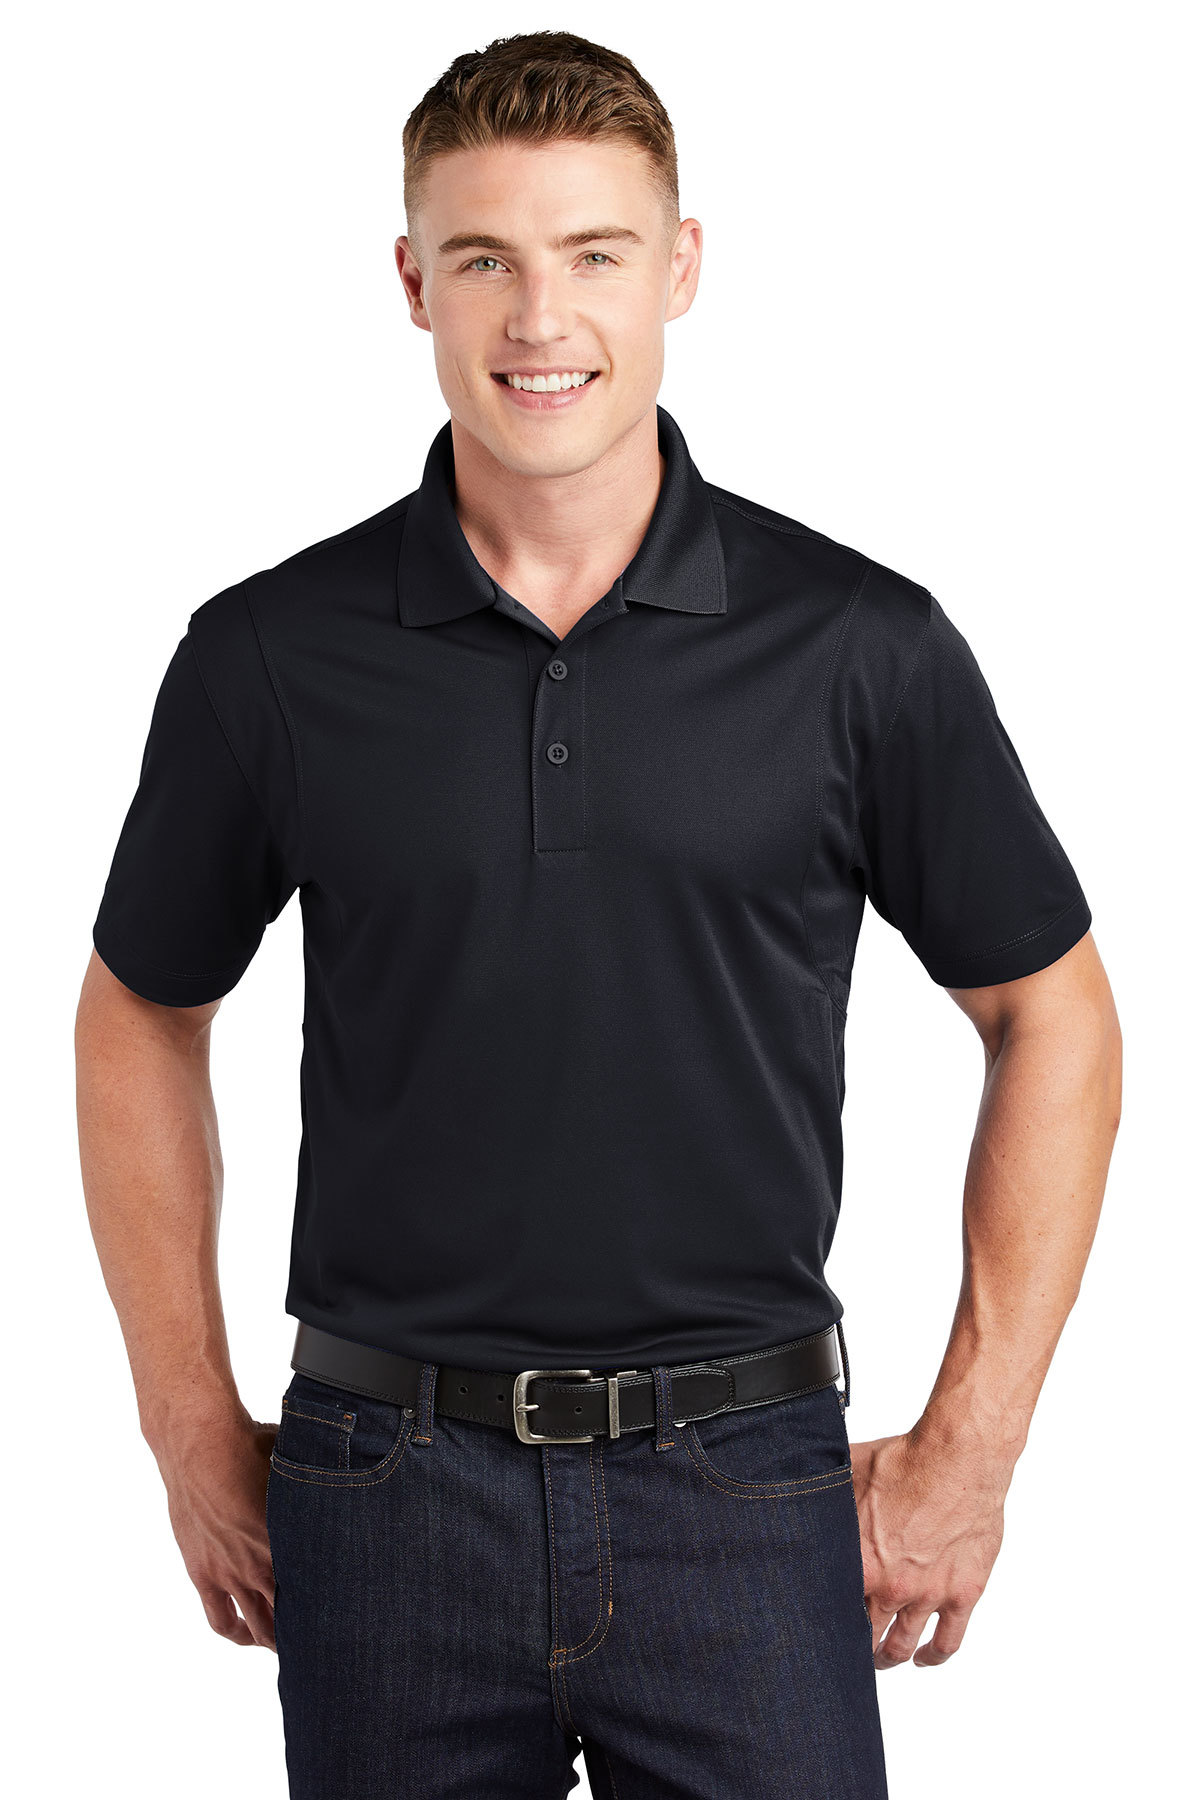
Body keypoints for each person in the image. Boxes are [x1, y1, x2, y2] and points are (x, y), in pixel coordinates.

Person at [74, 29, 1121, 1800]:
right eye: (484, 258)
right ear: (412, 282)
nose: (540, 318)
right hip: (383, 1484)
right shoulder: (270, 657)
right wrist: (187, 1429)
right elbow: (138, 1014)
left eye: (594, 253)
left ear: (681, 267)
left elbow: (1056, 1015)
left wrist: (974, 1444)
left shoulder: (859, 648)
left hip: (748, 1480)